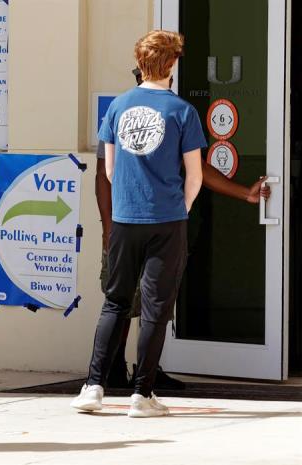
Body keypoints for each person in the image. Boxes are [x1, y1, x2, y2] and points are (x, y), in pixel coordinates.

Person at [97, 68, 271, 390]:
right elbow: (104, 176)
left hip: (142, 226)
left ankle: (140, 374)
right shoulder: (130, 110)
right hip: (134, 225)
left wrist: (244, 192)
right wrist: (110, 227)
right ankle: (114, 373)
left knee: (142, 305)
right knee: (126, 303)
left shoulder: (153, 110)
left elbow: (197, 169)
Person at [71, 30, 205, 418]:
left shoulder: (118, 107)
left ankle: (93, 386)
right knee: (155, 309)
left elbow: (109, 170)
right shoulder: (182, 111)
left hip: (125, 219)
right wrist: (180, 205)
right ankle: (141, 395)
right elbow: (194, 175)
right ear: (172, 64)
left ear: (140, 61)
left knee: (114, 301)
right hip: (167, 220)